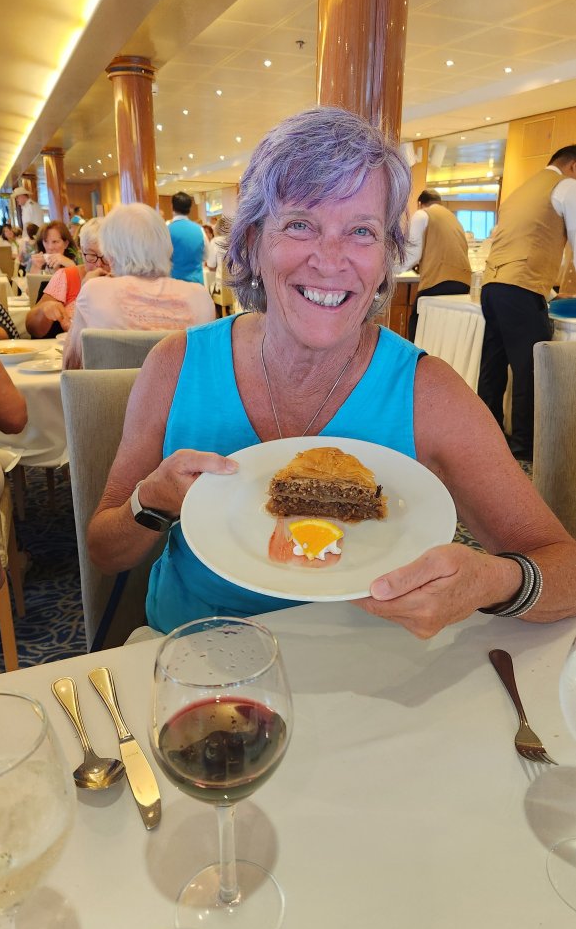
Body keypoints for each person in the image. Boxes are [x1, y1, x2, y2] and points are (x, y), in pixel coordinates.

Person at [87, 106, 576, 641]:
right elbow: (105, 552)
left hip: (370, 670)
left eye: (362, 231)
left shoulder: (427, 392)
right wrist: (151, 502)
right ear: (251, 242)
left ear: (386, 259)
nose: (330, 259)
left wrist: (492, 581)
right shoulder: (176, 365)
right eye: (300, 224)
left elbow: (564, 568)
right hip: (199, 659)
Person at [478, 145, 576, 462]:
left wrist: (552, 291)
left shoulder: (521, 191)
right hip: (520, 288)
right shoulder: (566, 186)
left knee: (493, 366)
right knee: (531, 368)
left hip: (493, 285)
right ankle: (524, 445)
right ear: (573, 167)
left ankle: (487, 434)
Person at [63, 203, 216, 369]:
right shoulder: (200, 297)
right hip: (183, 387)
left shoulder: (94, 291)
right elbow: (210, 367)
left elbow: (71, 367)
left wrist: (81, 298)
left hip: (117, 387)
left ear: (111, 253)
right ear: (167, 247)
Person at [401, 189, 471, 341]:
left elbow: (412, 254)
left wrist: (391, 269)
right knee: (444, 336)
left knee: (417, 328)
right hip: (464, 285)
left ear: (420, 203)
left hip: (438, 282)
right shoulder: (453, 219)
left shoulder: (422, 214)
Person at [26, 219, 108, 338]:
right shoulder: (67, 276)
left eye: (106, 256)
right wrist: (45, 309)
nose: (99, 264)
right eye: (91, 255)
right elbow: (32, 328)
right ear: (82, 252)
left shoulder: (127, 278)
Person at [168, 192, 207, 285]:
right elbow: (206, 255)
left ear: (172, 207)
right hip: (197, 283)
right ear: (190, 208)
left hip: (175, 283)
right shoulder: (200, 229)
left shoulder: (167, 230)